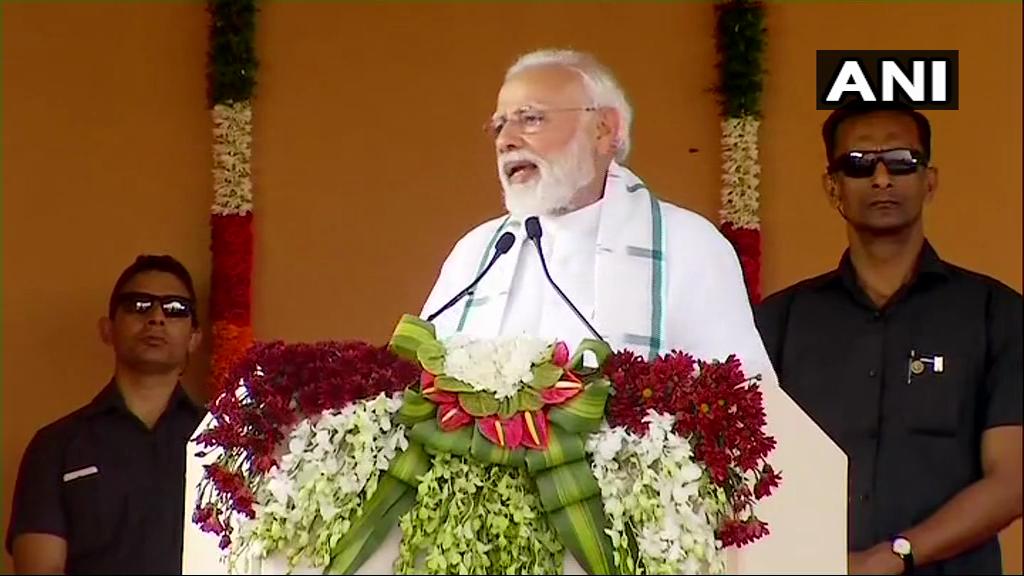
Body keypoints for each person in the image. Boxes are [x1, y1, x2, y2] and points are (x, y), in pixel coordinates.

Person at [755, 101, 1022, 574]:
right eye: (858, 165)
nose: (881, 178)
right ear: (832, 186)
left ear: (930, 180)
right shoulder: (779, 321)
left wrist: (898, 554)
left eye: (901, 161)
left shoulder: (996, 314)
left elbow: (1013, 478)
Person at [420, 48, 775, 387]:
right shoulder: (478, 252)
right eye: (499, 126)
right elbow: (417, 379)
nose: (506, 141)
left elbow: (745, 400)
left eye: (530, 119)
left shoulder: (689, 245)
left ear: (604, 129)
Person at [6, 255, 207, 574]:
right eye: (138, 305)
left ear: (195, 337)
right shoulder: (56, 445)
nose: (156, 317)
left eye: (175, 309)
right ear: (107, 329)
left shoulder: (224, 443)